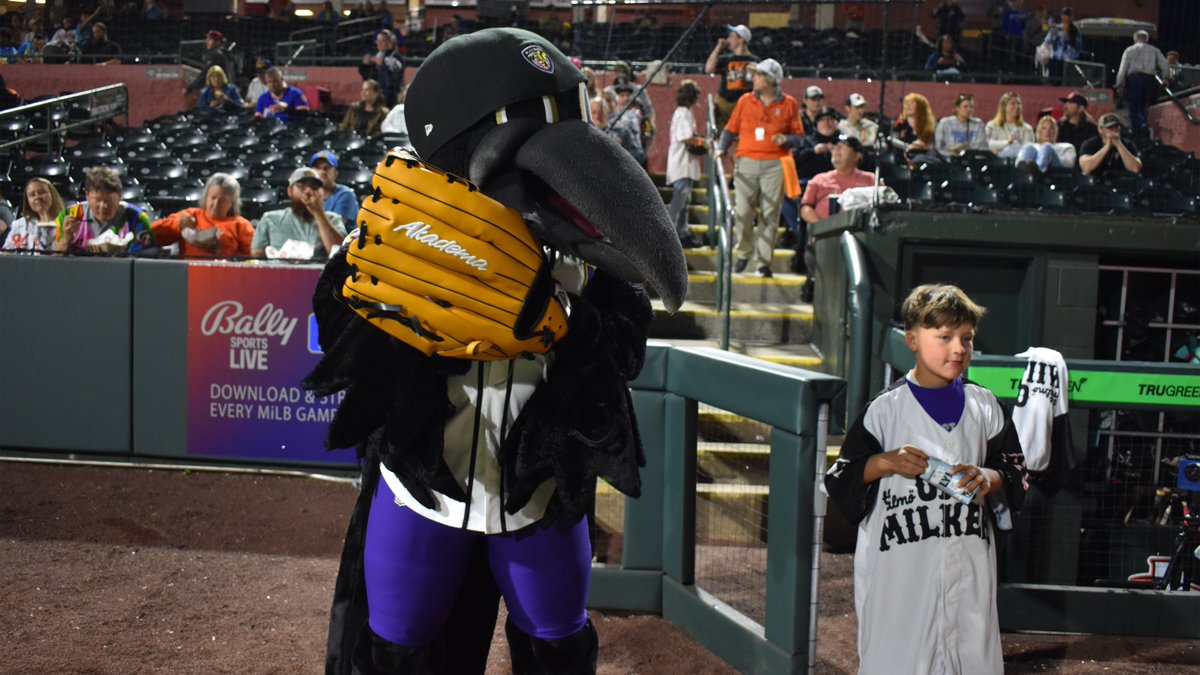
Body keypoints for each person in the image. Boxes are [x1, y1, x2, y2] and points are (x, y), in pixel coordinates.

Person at [825, 283, 1026, 675]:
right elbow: (841, 479)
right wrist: (885, 462)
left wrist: (989, 476)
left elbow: (1016, 469)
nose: (958, 349)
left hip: (968, 560)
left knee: (972, 656)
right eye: (945, 337)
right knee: (897, 657)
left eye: (966, 338)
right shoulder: (884, 410)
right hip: (902, 566)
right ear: (912, 339)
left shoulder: (985, 405)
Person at [715, 58, 805, 279]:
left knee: (769, 215)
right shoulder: (745, 100)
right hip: (746, 162)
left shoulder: (789, 103)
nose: (753, 78)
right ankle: (744, 251)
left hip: (775, 164)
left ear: (770, 79)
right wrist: (720, 148)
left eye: (758, 75)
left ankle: (763, 263)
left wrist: (787, 138)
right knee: (744, 212)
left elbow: (800, 137)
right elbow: (730, 129)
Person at [150, 174, 255, 258]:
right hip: (189, 275)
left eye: (223, 200)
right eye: (213, 198)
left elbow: (254, 256)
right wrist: (178, 224)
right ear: (206, 197)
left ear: (231, 203)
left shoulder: (241, 225)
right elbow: (153, 234)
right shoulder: (191, 215)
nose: (216, 204)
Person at [250, 167, 346, 259]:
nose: (308, 191)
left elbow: (340, 255)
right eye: (301, 185)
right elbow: (257, 256)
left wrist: (319, 213)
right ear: (290, 191)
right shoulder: (270, 219)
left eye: (314, 187)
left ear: (321, 193)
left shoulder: (334, 220)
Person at [55, 167, 155, 254]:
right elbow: (52, 260)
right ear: (87, 195)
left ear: (120, 196)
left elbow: (148, 256)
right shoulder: (69, 215)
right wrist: (66, 238)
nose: (103, 206)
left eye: (109, 201)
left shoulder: (137, 217)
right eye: (97, 200)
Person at [666, 79, 703, 249]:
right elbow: (686, 137)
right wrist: (704, 142)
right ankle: (669, 234)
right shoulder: (683, 113)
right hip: (682, 164)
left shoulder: (681, 112)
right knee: (679, 201)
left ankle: (683, 233)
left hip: (683, 164)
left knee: (684, 202)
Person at [703, 24, 758, 134]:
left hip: (744, 107)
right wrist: (718, 48)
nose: (728, 39)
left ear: (741, 39)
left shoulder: (755, 61)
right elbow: (709, 69)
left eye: (732, 36)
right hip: (725, 104)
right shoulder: (726, 59)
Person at [1115, 30, 1168, 135]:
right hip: (1149, 80)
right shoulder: (1154, 50)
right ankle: (1145, 125)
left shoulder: (1129, 50)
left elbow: (1123, 69)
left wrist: (1120, 84)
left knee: (1134, 106)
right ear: (1146, 39)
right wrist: (1165, 78)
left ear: (1135, 39)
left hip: (1134, 80)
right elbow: (1165, 64)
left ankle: (1136, 130)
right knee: (1146, 105)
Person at [2, 177, 64, 252]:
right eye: (32, 195)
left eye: (42, 192)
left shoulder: (67, 223)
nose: (37, 197)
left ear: (53, 195)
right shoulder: (18, 225)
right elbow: (6, 255)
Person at [1078, 112, 1142, 176]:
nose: (1114, 130)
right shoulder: (1089, 144)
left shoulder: (1128, 144)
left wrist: (1119, 144)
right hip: (1097, 181)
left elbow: (1135, 168)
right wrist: (1107, 147)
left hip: (1121, 182)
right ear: (1100, 130)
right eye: (1110, 127)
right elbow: (1086, 167)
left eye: (1116, 126)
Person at [591, 94, 643, 166]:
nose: (597, 116)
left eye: (601, 112)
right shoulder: (586, 133)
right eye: (594, 112)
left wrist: (619, 155)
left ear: (607, 112)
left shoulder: (621, 131)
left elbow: (638, 154)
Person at [310, 150, 359, 226]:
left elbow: (336, 227)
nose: (322, 172)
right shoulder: (308, 194)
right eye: (317, 168)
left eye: (326, 168)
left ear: (335, 173)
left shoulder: (346, 194)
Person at [359, 29, 404, 107]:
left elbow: (394, 76)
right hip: (374, 96)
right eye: (378, 41)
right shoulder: (376, 55)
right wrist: (365, 64)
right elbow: (366, 76)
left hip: (390, 97)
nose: (379, 44)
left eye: (382, 41)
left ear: (390, 43)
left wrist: (382, 64)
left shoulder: (396, 57)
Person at [892, 92, 938, 165]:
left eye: (912, 103)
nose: (908, 106)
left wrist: (921, 146)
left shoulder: (929, 125)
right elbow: (893, 140)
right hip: (903, 155)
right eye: (907, 103)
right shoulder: (900, 123)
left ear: (921, 107)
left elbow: (933, 145)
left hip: (924, 156)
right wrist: (908, 146)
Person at [984, 91, 1034, 159]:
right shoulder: (992, 126)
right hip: (998, 161)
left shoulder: (1027, 128)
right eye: (1013, 103)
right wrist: (1007, 142)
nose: (1017, 106)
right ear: (1004, 106)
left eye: (1018, 104)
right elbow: (987, 144)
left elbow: (1028, 149)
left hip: (1019, 161)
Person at [184, 30, 232, 98]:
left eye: (210, 40)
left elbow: (205, 73)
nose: (206, 42)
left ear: (217, 42)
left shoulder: (216, 54)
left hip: (218, 92)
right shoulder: (222, 53)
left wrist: (190, 88)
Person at [1041, 7, 1081, 78]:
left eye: (1067, 15)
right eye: (1063, 15)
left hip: (1068, 60)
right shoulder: (1056, 28)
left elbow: (1078, 46)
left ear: (1071, 17)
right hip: (1055, 58)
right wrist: (1053, 36)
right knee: (1053, 79)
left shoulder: (1074, 30)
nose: (1065, 17)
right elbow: (1047, 40)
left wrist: (1072, 56)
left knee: (1065, 81)